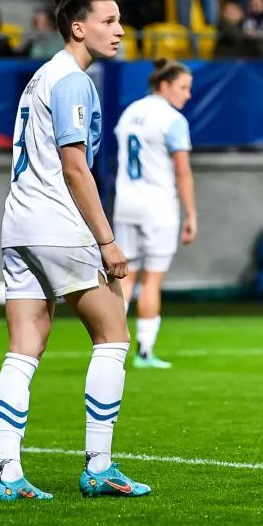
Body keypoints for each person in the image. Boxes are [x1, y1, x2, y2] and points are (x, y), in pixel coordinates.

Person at [0, 0, 149, 501]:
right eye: (109, 20)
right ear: (78, 28)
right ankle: (100, 466)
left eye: (119, 20)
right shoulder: (73, 82)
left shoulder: (42, 76)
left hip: (18, 226)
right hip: (58, 225)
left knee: (22, 351)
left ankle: (9, 474)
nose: (119, 29)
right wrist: (107, 241)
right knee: (113, 336)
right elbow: (74, 167)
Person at [113, 58, 197, 369]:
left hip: (126, 204)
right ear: (164, 86)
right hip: (158, 207)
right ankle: (144, 352)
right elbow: (183, 172)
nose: (188, 95)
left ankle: (110, 349)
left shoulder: (131, 112)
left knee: (124, 279)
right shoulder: (172, 119)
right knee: (151, 281)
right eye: (183, 88)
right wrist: (191, 215)